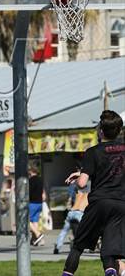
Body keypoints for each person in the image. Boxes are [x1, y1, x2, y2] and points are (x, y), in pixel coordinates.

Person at [62, 110, 125, 276]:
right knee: (109, 249)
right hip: (120, 204)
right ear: (119, 131)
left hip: (100, 202)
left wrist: (82, 174)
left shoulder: (93, 152)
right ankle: (110, 272)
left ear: (100, 131)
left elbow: (82, 183)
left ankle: (67, 274)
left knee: (78, 245)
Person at [53, 184, 89, 254]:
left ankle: (57, 246)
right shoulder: (88, 195)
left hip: (72, 212)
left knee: (64, 231)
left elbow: (70, 200)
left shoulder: (78, 193)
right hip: (80, 213)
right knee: (85, 230)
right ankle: (80, 244)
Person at [28, 165, 46, 246]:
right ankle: (36, 240)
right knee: (34, 221)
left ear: (30, 171)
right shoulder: (40, 179)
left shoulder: (30, 180)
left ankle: (38, 235)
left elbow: (29, 192)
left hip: (32, 203)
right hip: (39, 203)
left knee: (26, 220)